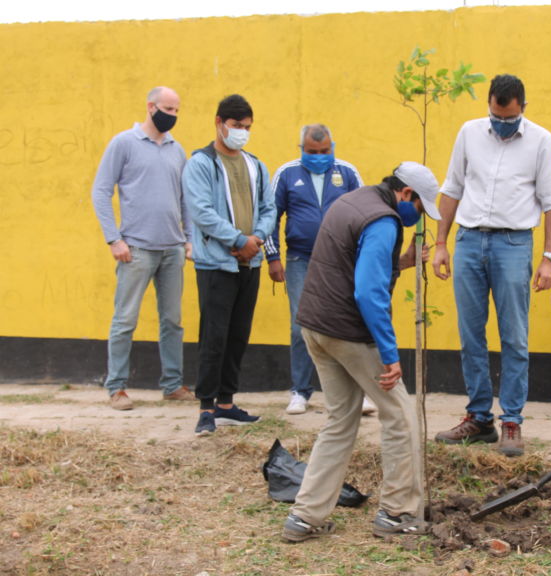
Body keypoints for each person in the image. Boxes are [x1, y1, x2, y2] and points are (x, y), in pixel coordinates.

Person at [280, 162, 440, 543]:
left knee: (340, 420)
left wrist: (400, 262)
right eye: (419, 209)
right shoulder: (384, 221)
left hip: (314, 327)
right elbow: (367, 292)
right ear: (405, 194)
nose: (418, 219)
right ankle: (398, 513)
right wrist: (389, 354)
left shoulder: (354, 200)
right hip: (347, 331)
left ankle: (305, 516)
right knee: (400, 415)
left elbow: (349, 262)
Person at [432, 74, 551, 457]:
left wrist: (549, 258)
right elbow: (452, 188)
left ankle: (512, 422)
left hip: (514, 243)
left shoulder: (541, 140)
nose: (500, 123)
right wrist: (441, 243)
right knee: (471, 334)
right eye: (494, 114)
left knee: (514, 336)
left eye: (507, 117)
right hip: (469, 239)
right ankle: (478, 418)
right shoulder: (470, 133)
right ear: (488, 104)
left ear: (523, 106)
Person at [92, 86, 194, 411]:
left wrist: (189, 238)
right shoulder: (124, 143)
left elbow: (185, 200)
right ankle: (117, 388)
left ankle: (172, 384)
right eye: (168, 108)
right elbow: (101, 191)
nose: (172, 115)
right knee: (125, 319)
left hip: (172, 249)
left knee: (173, 321)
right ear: (150, 106)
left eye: (177, 110)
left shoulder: (178, 150)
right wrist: (114, 239)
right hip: (135, 249)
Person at [263, 124, 376, 416]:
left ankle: (357, 391)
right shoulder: (287, 174)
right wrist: (272, 257)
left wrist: (364, 260)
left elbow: (366, 215)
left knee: (346, 324)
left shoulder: (347, 173)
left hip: (342, 262)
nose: (319, 157)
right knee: (300, 327)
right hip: (300, 260)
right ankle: (300, 391)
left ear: (332, 146)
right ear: (301, 149)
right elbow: (270, 217)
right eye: (312, 152)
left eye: (324, 151)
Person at [182, 94, 276, 436]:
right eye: (237, 126)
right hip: (216, 264)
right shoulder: (201, 164)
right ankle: (206, 406)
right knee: (214, 336)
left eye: (247, 127)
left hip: (249, 263)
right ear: (219, 123)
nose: (242, 133)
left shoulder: (256, 165)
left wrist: (256, 240)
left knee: (238, 335)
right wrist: (238, 240)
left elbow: (269, 207)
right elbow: (202, 212)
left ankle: (226, 403)